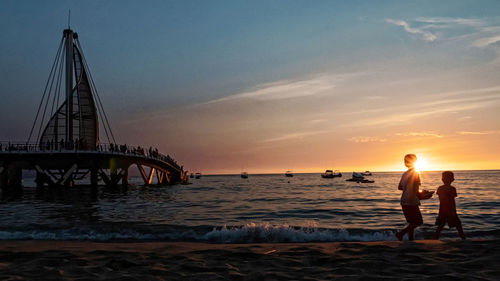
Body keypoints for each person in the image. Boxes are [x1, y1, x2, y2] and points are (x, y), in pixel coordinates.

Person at [396, 154, 422, 241]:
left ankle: (411, 239)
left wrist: (407, 188)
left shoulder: (404, 174)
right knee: (418, 222)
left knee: (411, 223)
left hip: (404, 200)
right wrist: (423, 195)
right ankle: (401, 234)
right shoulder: (415, 173)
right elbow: (416, 189)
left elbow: (400, 187)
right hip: (412, 201)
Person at [434, 171, 466, 240]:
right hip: (451, 210)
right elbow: (451, 200)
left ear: (442, 179)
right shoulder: (452, 189)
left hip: (442, 210)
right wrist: (453, 211)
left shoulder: (440, 188)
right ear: (452, 179)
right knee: (458, 226)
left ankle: (435, 239)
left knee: (440, 226)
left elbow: (441, 199)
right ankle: (463, 239)